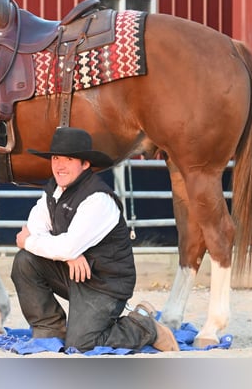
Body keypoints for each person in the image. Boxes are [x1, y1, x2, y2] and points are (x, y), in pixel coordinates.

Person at [11, 127, 179, 352]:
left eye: (69, 159)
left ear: (85, 164)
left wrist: (39, 244)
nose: (59, 165)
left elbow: (37, 239)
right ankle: (50, 330)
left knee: (82, 344)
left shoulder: (98, 199)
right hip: (75, 272)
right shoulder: (53, 190)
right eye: (56, 158)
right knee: (25, 261)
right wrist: (68, 256)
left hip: (105, 284)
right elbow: (36, 229)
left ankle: (144, 327)